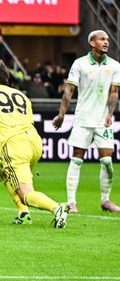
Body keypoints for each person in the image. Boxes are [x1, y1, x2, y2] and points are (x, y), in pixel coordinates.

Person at [0, 61, 69, 228]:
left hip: (14, 145)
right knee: (6, 172)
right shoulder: (22, 96)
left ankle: (57, 208)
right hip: (34, 142)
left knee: (25, 192)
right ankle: (23, 213)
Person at [53, 30, 120, 213]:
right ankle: (71, 202)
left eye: (107, 39)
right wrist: (61, 114)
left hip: (102, 121)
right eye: (102, 39)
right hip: (83, 119)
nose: (106, 42)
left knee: (107, 161)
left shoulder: (114, 66)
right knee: (76, 160)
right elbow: (69, 91)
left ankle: (105, 201)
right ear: (92, 43)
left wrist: (110, 113)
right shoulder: (80, 64)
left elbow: (114, 92)